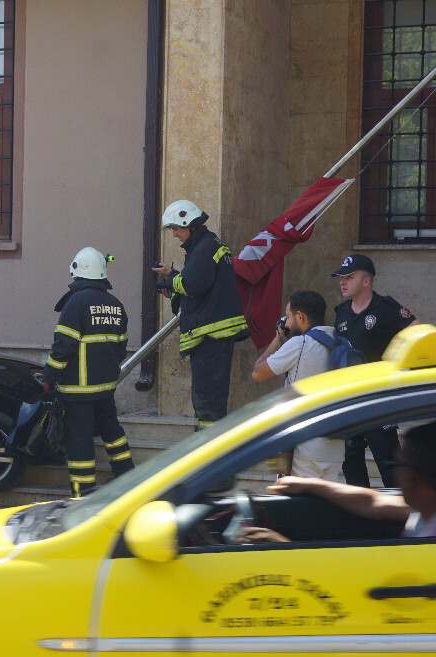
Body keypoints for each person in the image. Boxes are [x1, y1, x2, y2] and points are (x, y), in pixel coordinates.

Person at [235, 420, 436, 543]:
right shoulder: (424, 510)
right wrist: (311, 485)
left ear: (413, 477)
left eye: (396, 463)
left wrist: (282, 546)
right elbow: (373, 502)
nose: (394, 469)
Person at [43, 247, 134, 497]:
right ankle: (129, 480)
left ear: (78, 272)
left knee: (80, 442)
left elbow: (64, 346)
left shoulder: (76, 302)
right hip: (104, 388)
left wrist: (49, 376)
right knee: (113, 435)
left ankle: (82, 493)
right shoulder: (116, 304)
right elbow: (120, 348)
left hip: (77, 390)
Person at [153, 200, 249, 431]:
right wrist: (174, 293)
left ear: (190, 224)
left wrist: (170, 275)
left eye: (177, 228)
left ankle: (208, 457)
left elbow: (193, 285)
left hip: (211, 338)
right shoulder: (207, 246)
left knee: (208, 405)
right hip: (213, 337)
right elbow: (203, 292)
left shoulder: (205, 248)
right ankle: (205, 450)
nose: (175, 234)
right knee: (207, 403)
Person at [332, 254, 418, 488]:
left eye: (349, 277)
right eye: (341, 277)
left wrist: (397, 368)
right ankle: (362, 520)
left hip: (379, 400)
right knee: (351, 464)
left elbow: (417, 333)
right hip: (350, 400)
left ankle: (399, 516)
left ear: (366, 281)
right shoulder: (341, 313)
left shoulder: (386, 307)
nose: (343, 282)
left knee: (390, 463)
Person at [251, 290, 344, 480]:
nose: (286, 323)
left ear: (300, 316)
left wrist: (278, 338)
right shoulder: (340, 341)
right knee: (324, 509)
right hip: (334, 449)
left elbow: (258, 373)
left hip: (304, 450)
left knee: (294, 507)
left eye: (288, 317)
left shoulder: (301, 344)